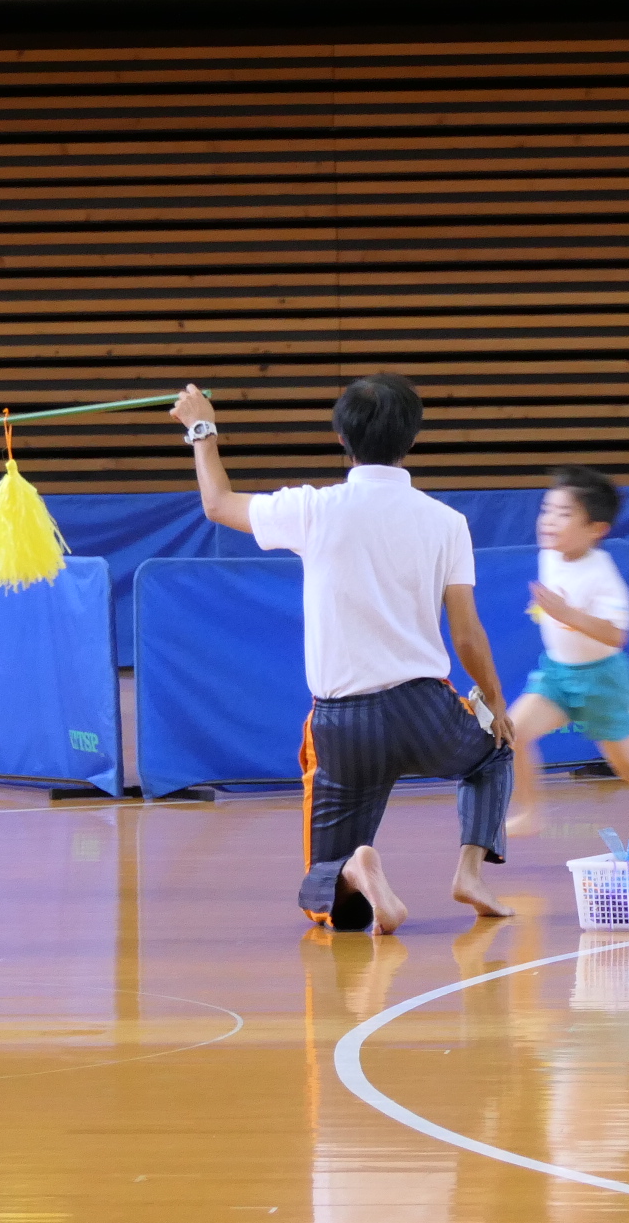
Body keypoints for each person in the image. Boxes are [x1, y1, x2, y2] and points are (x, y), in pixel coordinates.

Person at [171, 374, 514, 934]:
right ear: (412, 439)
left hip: (343, 724)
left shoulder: (315, 508)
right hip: (425, 710)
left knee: (325, 898)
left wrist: (201, 428)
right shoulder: (448, 523)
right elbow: (467, 633)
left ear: (341, 440)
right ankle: (470, 875)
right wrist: (495, 703)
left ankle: (354, 869)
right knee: (494, 754)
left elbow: (217, 504)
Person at [501, 468, 629, 846]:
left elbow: (616, 633)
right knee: (513, 733)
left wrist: (567, 614)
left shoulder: (602, 573)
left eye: (564, 514)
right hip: (557, 673)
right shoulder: (550, 553)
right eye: (547, 510)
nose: (549, 520)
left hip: (603, 679)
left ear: (596, 529)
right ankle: (530, 813)